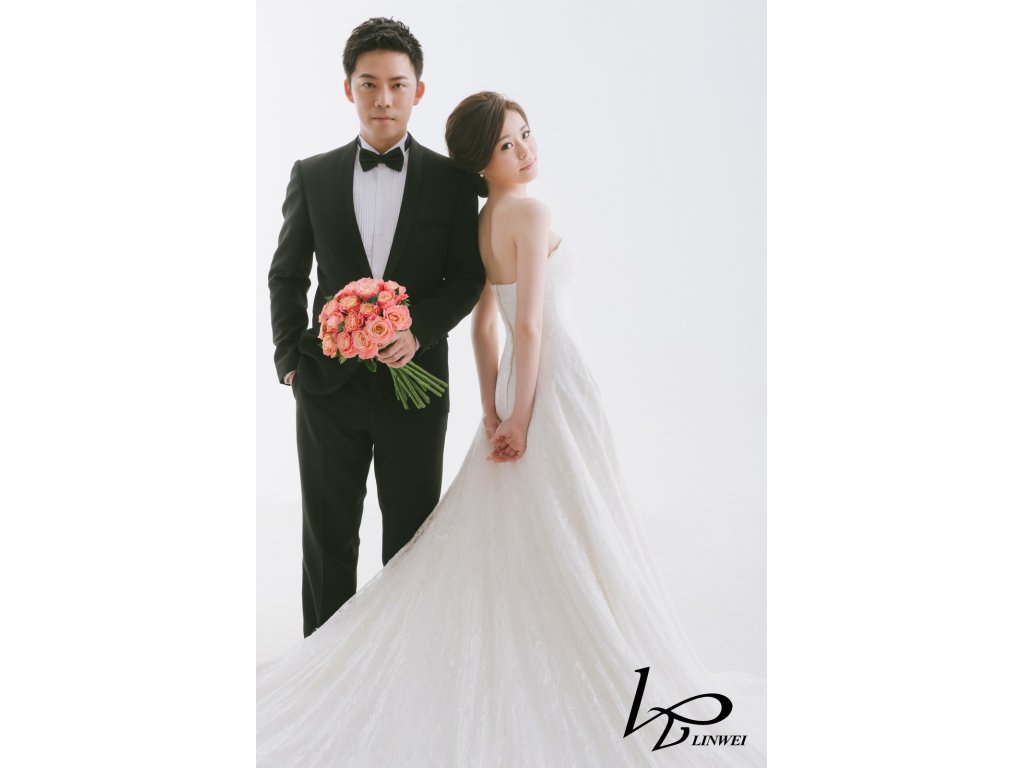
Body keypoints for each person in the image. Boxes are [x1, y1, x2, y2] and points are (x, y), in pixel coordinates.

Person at [257, 92, 766, 766]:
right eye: (506, 144)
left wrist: (492, 409)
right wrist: (522, 416)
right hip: (549, 385)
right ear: (480, 161)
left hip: (509, 389)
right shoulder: (530, 211)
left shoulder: (483, 220)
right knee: (573, 518)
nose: (525, 150)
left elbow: (482, 326)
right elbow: (526, 325)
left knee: (527, 519)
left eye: (526, 134)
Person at [267, 18, 485, 638]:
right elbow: (287, 274)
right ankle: (323, 672)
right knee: (327, 537)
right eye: (369, 84)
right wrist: (290, 361)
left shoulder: (453, 182)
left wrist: (420, 331)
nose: (383, 98)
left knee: (413, 541)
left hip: (416, 387)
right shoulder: (312, 175)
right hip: (325, 387)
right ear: (348, 89)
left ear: (419, 90)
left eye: (397, 84)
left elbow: (466, 276)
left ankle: (401, 670)